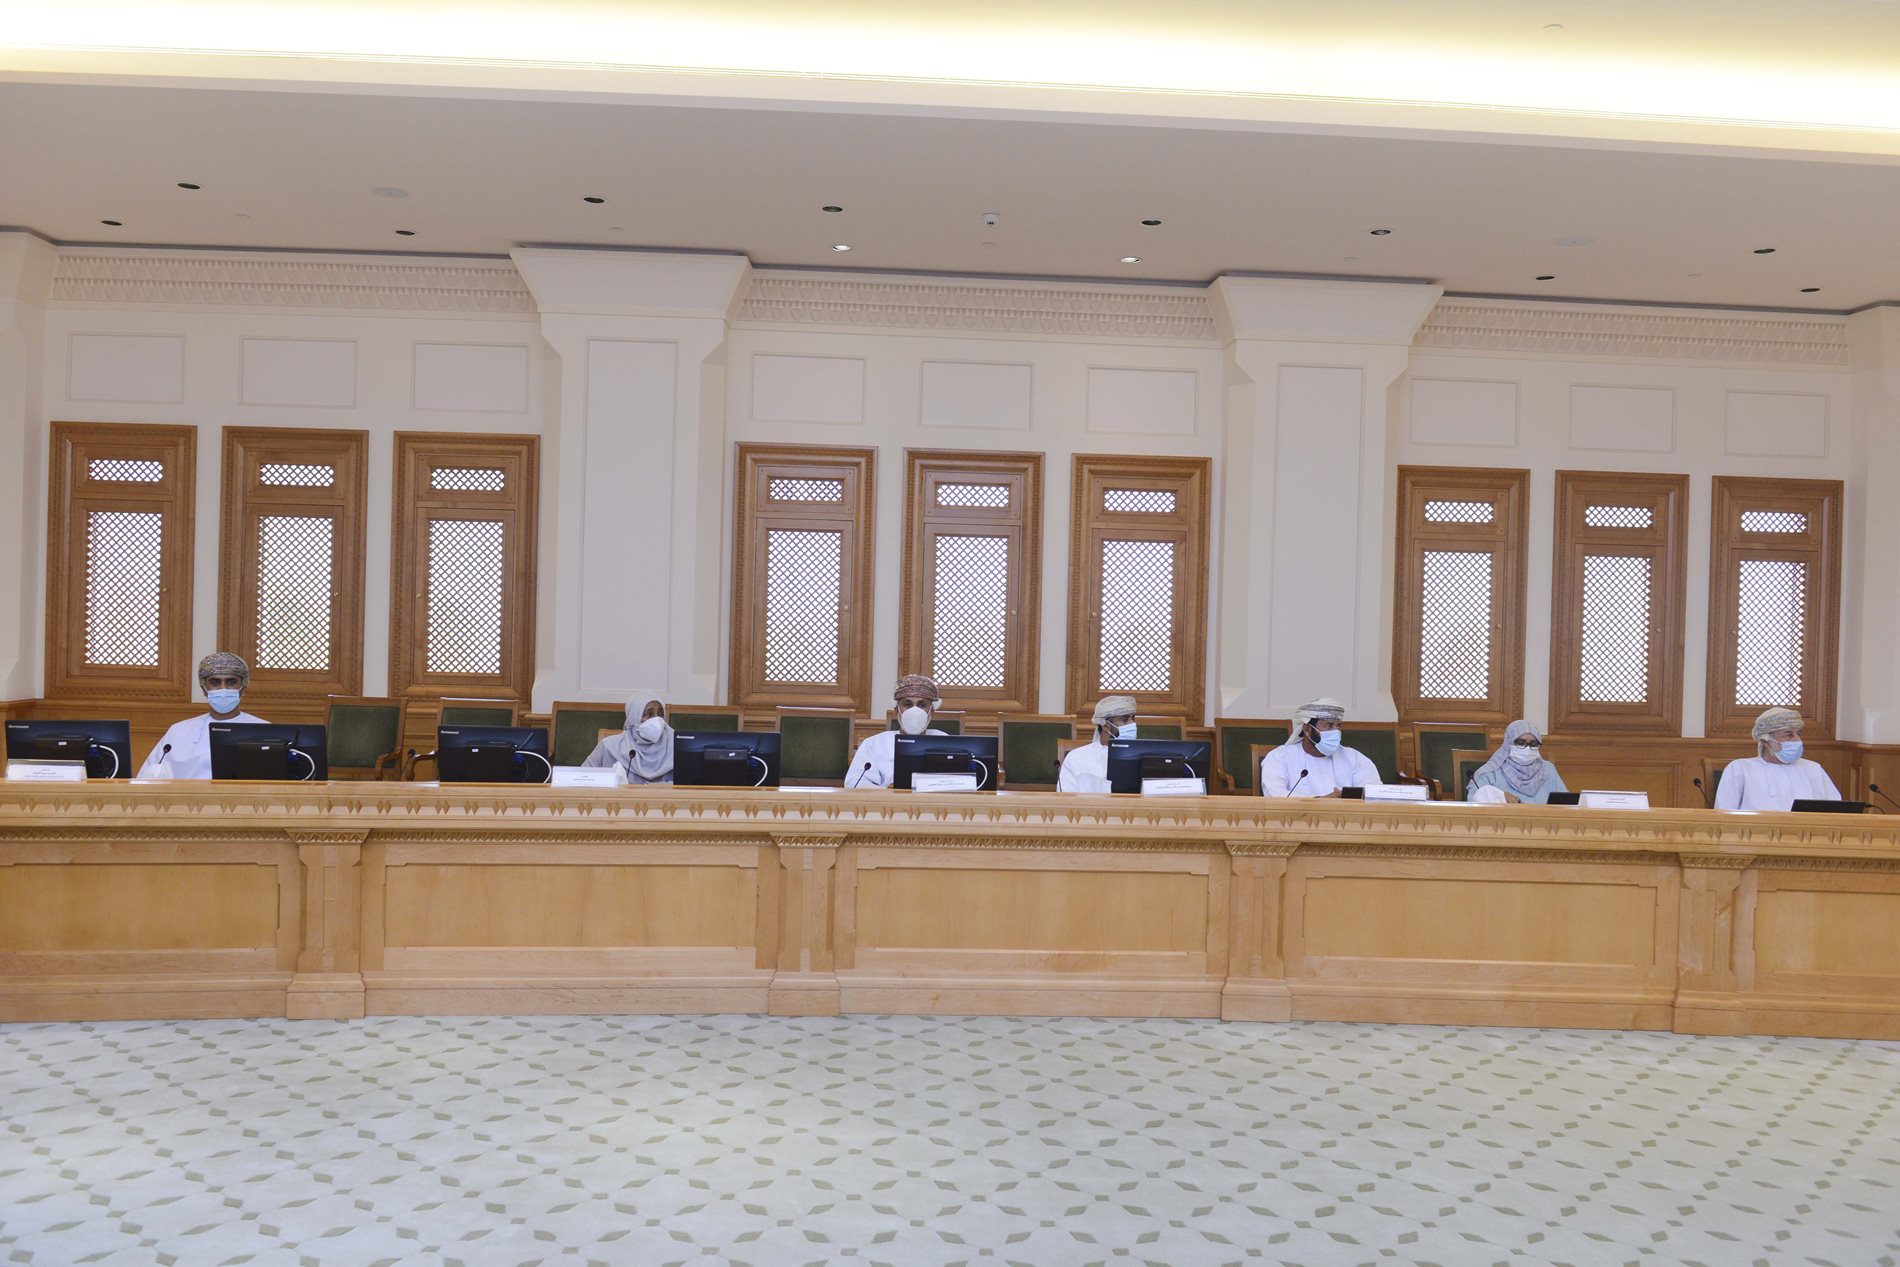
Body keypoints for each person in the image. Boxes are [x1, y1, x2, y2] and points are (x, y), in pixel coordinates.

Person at [137, 651, 269, 779]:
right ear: (204, 689)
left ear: (243, 687)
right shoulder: (178, 732)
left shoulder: (264, 730)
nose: (223, 688)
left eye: (231, 682)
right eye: (215, 682)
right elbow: (147, 778)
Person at [1714, 707, 1841, 811]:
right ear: (1765, 741)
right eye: (1788, 735)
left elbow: (1836, 812)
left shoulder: (1813, 769)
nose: (1797, 740)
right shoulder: (1740, 769)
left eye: (1798, 734)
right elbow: (1723, 817)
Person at [1260, 697, 1380, 797]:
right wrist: (1321, 802)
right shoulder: (1279, 757)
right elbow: (1274, 795)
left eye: (1338, 726)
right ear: (1307, 729)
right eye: (1328, 726)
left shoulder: (1355, 758)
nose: (1335, 732)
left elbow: (1375, 794)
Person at [846, 674, 944, 789]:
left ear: (932, 711)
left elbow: (958, 783)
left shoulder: (945, 742)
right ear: (896, 709)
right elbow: (854, 783)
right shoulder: (874, 744)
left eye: (922, 705)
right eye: (907, 704)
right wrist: (888, 793)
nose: (914, 710)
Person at [1466, 720, 1568, 804]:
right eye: (1521, 743)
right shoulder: (1490, 773)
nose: (1527, 748)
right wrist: (1499, 797)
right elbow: (1474, 804)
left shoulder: (1548, 770)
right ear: (1508, 744)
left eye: (1533, 744)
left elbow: (1567, 804)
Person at [582, 693, 673, 784]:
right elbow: (581, 779)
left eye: (661, 714)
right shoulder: (609, 747)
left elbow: (682, 785)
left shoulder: (675, 745)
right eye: (649, 714)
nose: (656, 719)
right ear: (634, 717)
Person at [1058, 695, 1137, 793]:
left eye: (1133, 718)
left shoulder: (1141, 755)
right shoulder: (1076, 758)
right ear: (1105, 726)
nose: (1132, 724)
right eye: (1124, 720)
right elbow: (1065, 797)